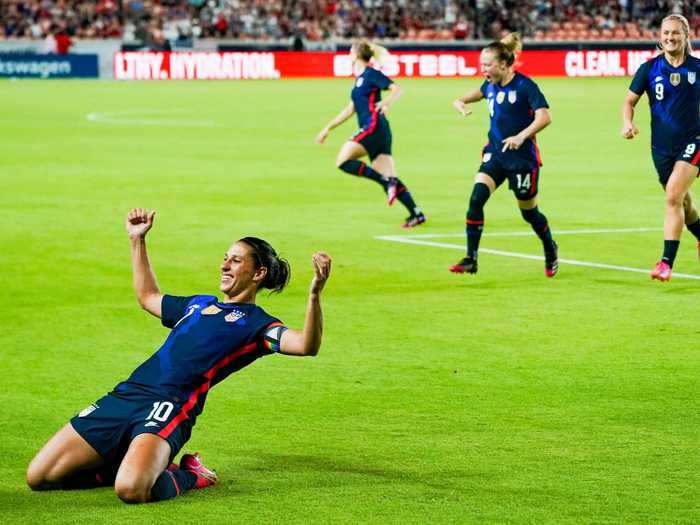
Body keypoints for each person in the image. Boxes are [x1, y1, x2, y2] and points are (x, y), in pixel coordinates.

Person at [26, 208, 332, 504]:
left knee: (131, 490)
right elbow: (148, 297)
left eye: (236, 261)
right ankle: (130, 463)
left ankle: (189, 475)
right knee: (40, 477)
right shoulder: (196, 304)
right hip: (127, 395)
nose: (225, 265)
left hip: (169, 408)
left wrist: (314, 294)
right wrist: (137, 240)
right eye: (225, 259)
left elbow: (306, 344)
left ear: (258, 273)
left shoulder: (258, 325)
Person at [449, 33, 558, 277]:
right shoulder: (489, 85)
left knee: (529, 213)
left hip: (522, 159)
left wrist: (521, 136)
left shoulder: (525, 86)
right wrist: (459, 101)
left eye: (486, 64)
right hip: (496, 154)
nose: (482, 69)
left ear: (502, 64)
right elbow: (476, 94)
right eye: (481, 64)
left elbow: (545, 116)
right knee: (476, 199)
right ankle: (471, 258)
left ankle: (550, 248)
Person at [621, 14, 700, 281]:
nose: (670, 37)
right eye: (666, 33)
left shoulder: (697, 68)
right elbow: (629, 101)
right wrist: (627, 123)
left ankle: (666, 263)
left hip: (694, 142)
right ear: (660, 36)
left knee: (672, 196)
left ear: (686, 36)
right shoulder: (649, 69)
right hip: (661, 149)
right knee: (683, 203)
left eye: (675, 33)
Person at [316, 40, 426, 228]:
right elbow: (350, 109)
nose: (349, 53)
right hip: (380, 131)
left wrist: (387, 103)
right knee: (391, 178)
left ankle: (385, 181)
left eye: (351, 50)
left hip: (373, 126)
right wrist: (328, 128)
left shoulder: (371, 74)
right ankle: (416, 214)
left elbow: (397, 89)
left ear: (357, 54)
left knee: (342, 160)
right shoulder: (359, 80)